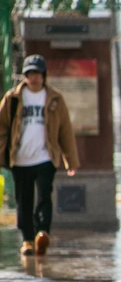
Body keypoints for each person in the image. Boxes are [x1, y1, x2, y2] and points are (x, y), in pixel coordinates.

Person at [0, 54, 80, 257]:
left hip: (46, 157)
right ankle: (27, 239)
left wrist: (71, 160)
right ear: (25, 76)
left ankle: (42, 233)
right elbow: (1, 127)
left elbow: (65, 131)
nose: (34, 77)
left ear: (44, 75)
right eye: (29, 73)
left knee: (44, 196)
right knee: (23, 199)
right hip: (19, 158)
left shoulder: (54, 98)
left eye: (37, 73)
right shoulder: (13, 98)